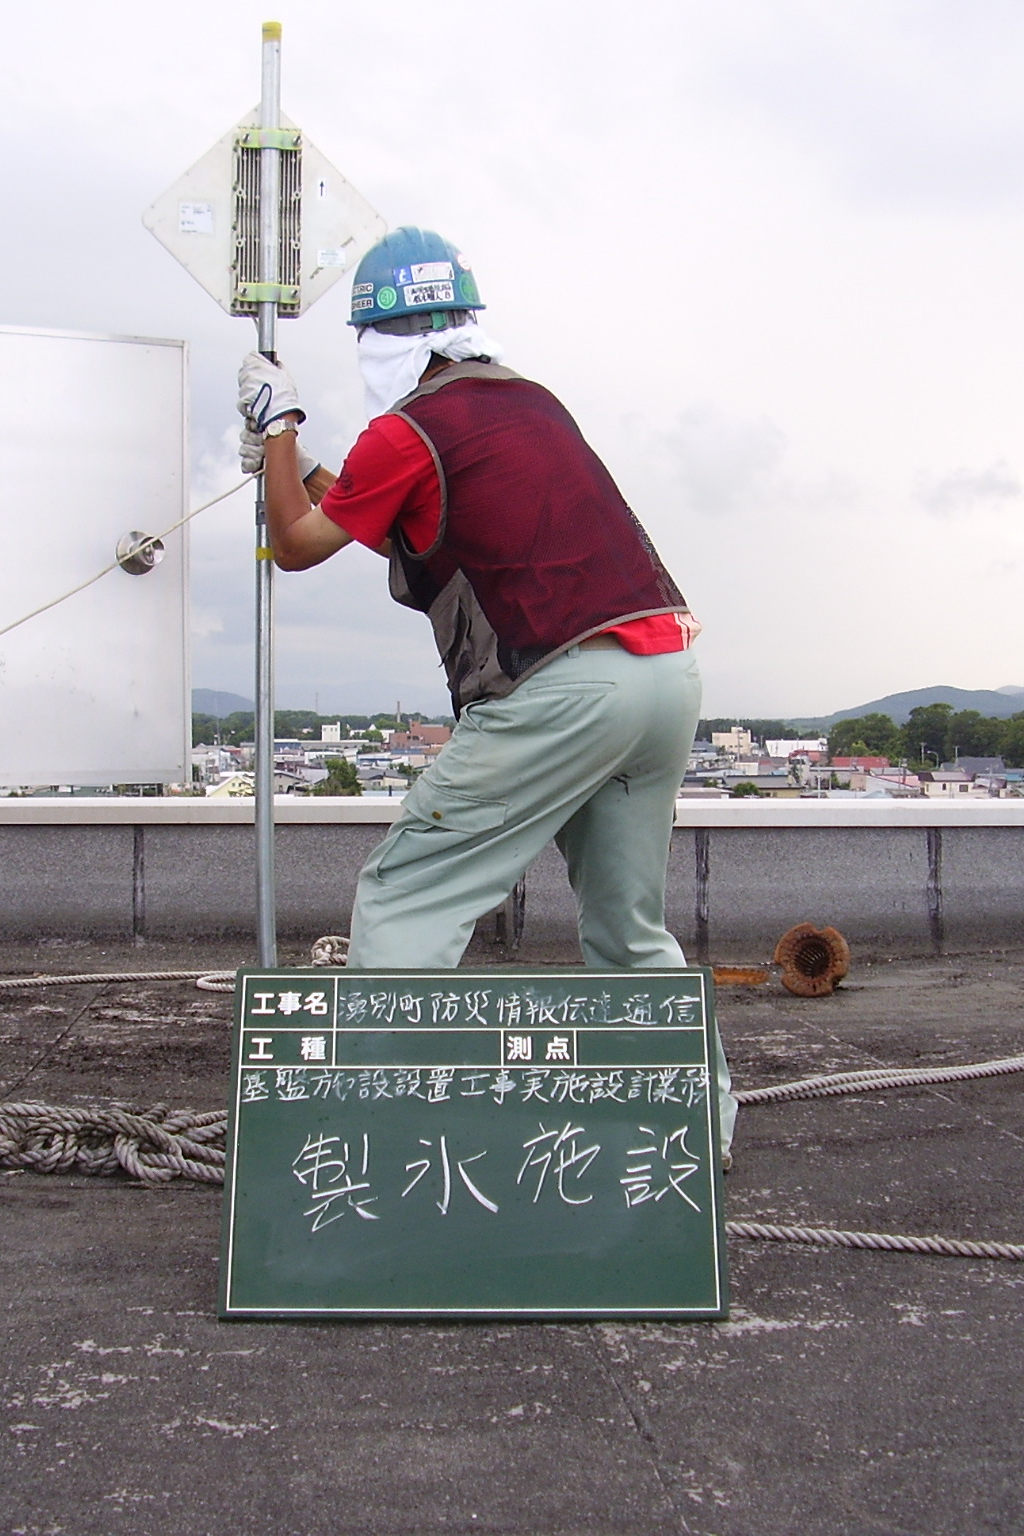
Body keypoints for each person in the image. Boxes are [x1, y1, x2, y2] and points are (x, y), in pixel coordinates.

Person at [238, 226, 731, 1150]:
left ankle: (383, 1143)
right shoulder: (530, 402)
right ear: (463, 321)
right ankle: (696, 1143)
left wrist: (278, 429)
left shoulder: (408, 427)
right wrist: (293, 469)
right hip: (666, 673)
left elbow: (301, 545)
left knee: (409, 892)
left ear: (382, 341)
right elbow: (389, 515)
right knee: (628, 932)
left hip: (564, 689)